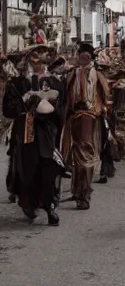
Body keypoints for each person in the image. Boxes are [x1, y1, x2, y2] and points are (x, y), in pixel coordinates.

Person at [2, 44, 66, 225]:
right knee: (28, 171)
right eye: (34, 53)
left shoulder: (55, 82)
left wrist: (48, 110)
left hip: (46, 134)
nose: (38, 56)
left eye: (43, 53)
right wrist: (24, 106)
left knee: (50, 168)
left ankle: (51, 205)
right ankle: (29, 203)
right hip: (25, 133)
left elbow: (61, 111)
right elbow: (8, 110)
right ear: (28, 57)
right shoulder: (17, 82)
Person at [61, 43, 110, 211]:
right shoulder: (71, 75)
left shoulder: (98, 75)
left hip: (90, 118)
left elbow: (106, 97)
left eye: (87, 56)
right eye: (81, 55)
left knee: (86, 158)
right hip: (73, 118)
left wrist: (101, 110)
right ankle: (76, 191)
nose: (84, 59)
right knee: (73, 157)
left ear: (90, 58)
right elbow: (65, 97)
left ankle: (84, 194)